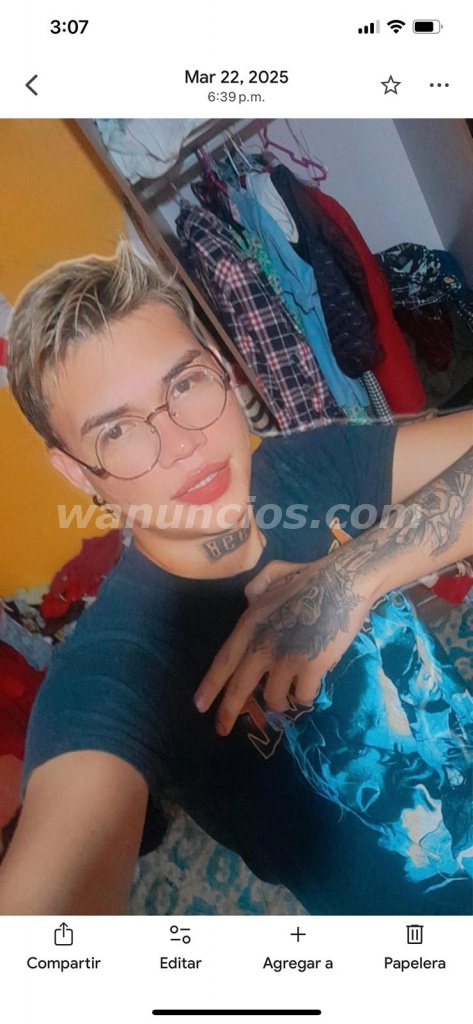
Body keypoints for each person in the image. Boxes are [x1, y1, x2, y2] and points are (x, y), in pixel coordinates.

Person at [0, 241, 472, 916]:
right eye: (117, 432)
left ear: (220, 367)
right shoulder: (120, 671)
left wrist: (353, 574)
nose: (182, 442)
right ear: (77, 472)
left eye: (184, 384)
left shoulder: (305, 468)